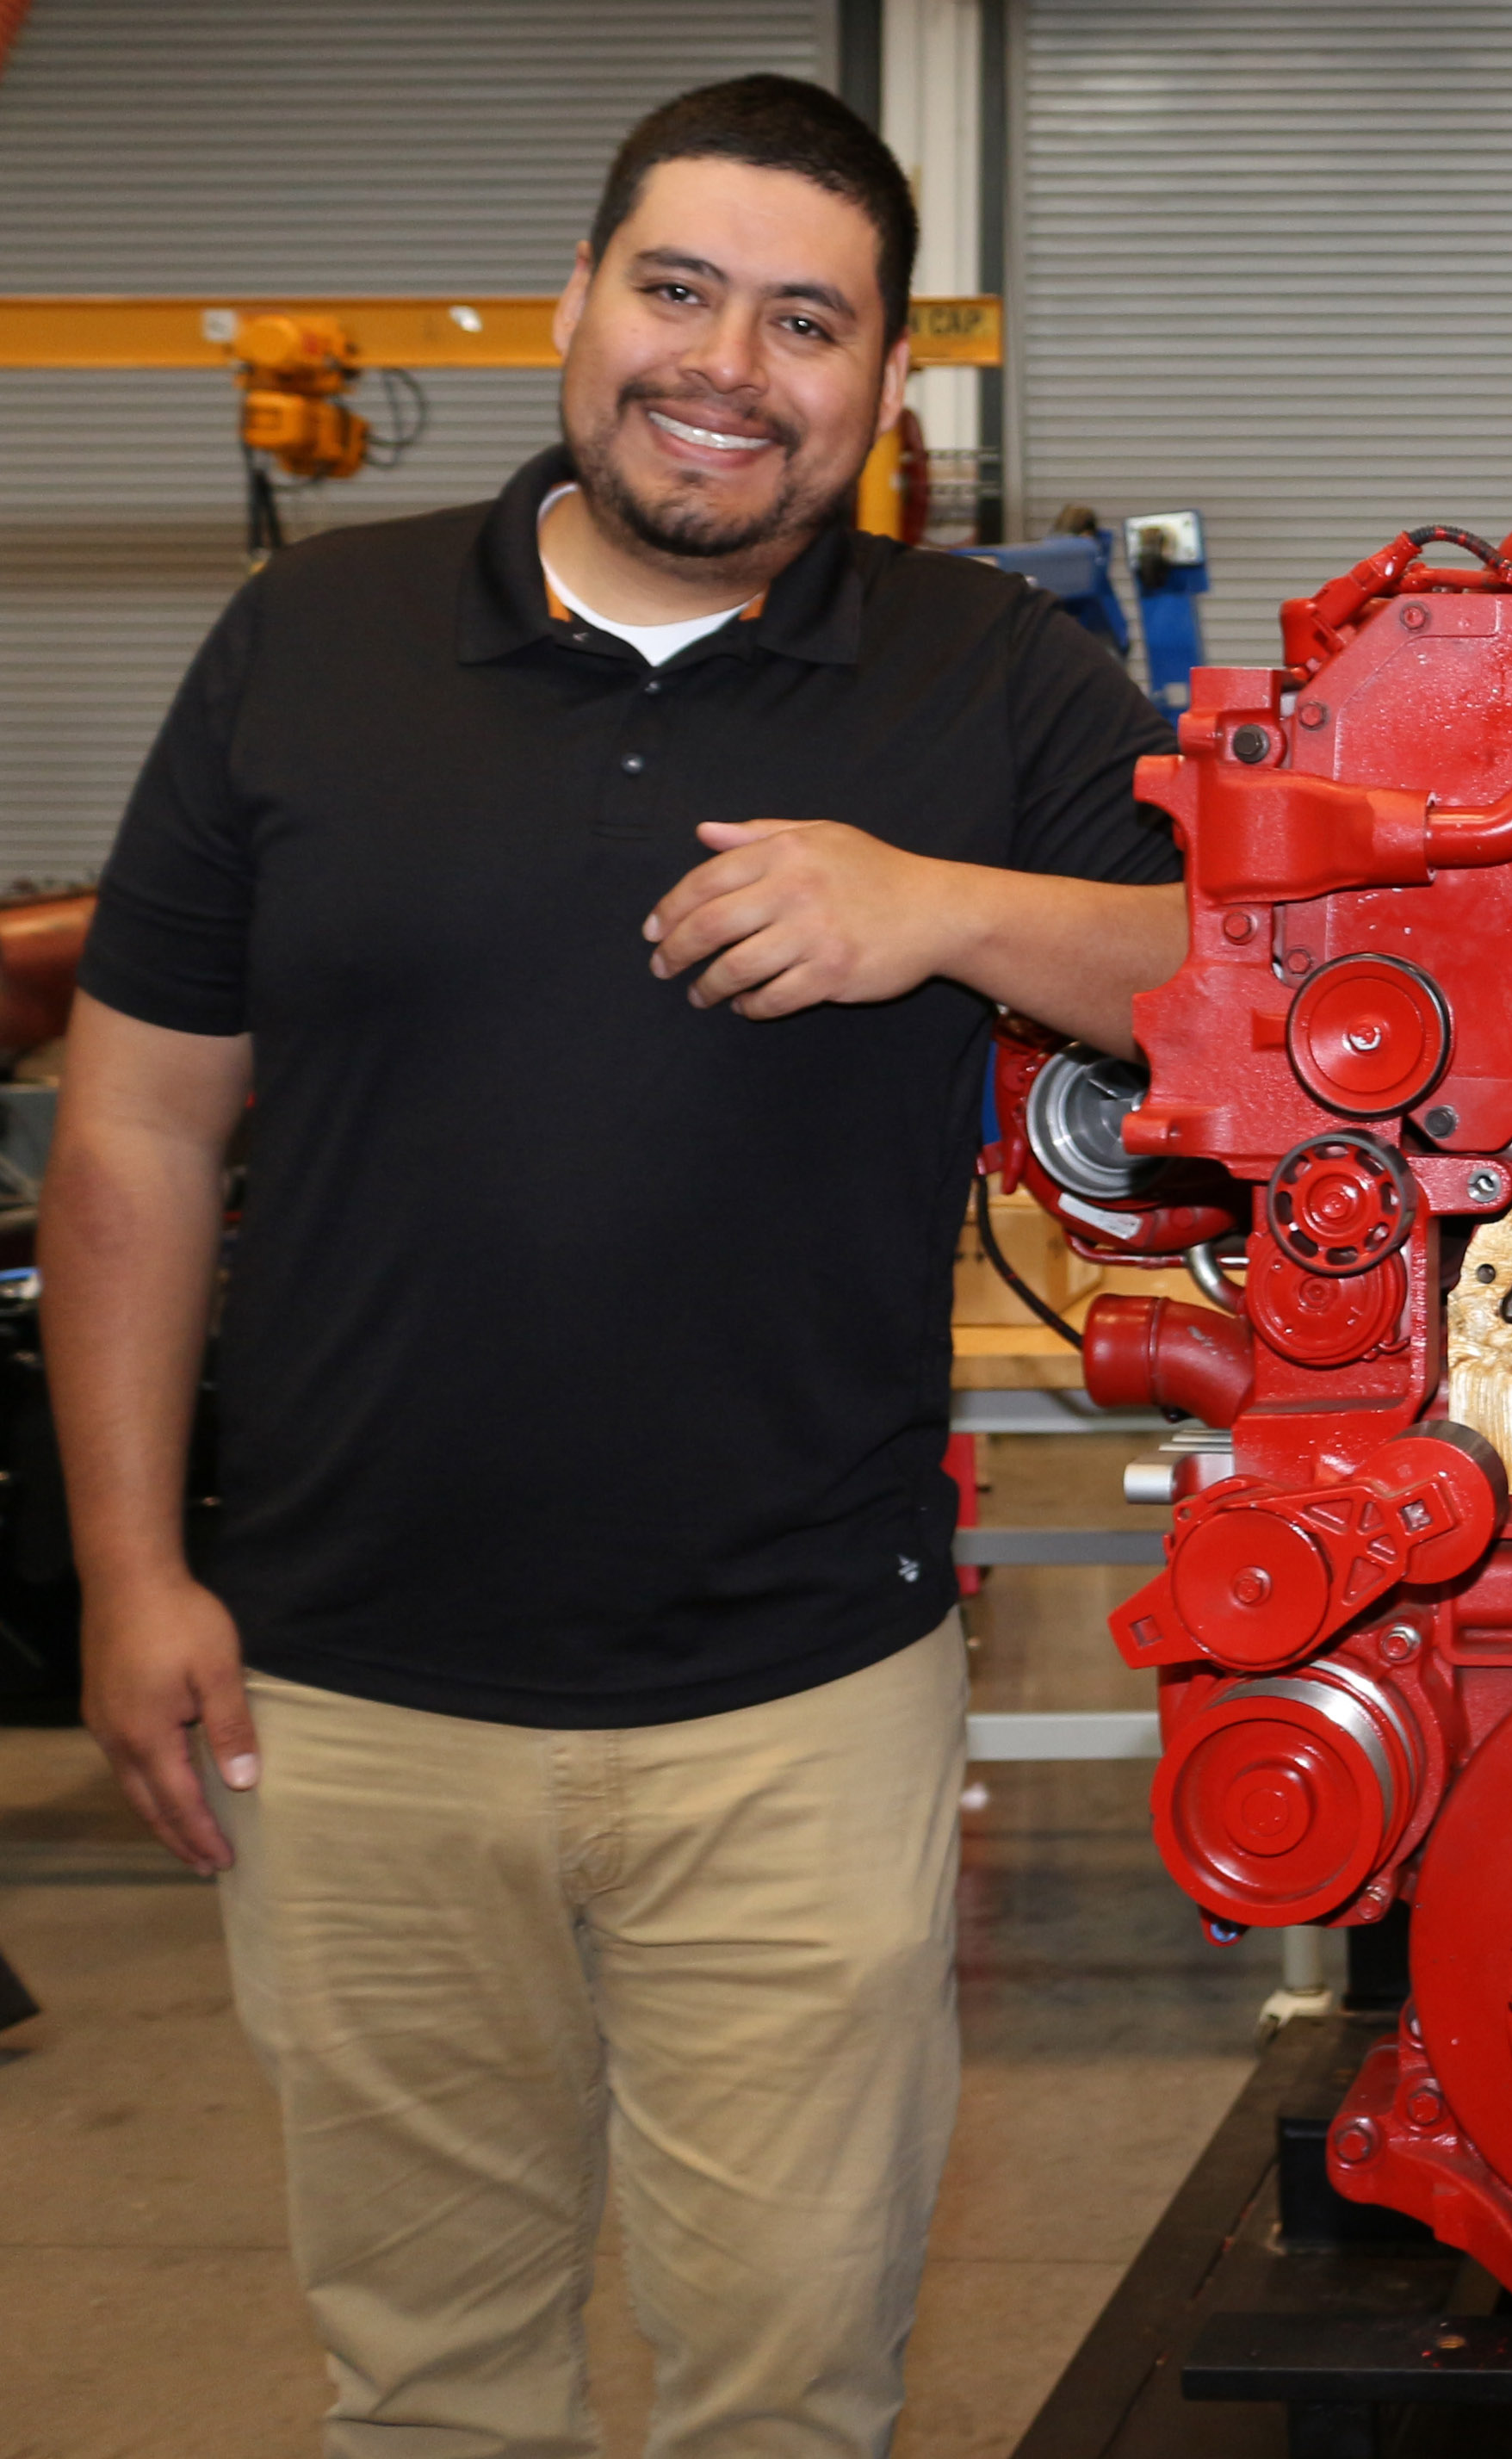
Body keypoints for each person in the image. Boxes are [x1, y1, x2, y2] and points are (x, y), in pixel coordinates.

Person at [42, 76, 1186, 2458]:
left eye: (805, 323)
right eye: (679, 290)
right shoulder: (311, 645)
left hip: (796, 1702)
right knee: (430, 2389)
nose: (727, 366)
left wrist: (941, 907)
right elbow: (142, 1127)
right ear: (572, 305)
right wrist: (131, 1569)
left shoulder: (996, 679)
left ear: (882, 392)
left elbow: (1250, 983)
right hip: (354, 1707)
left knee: (787, 2389)